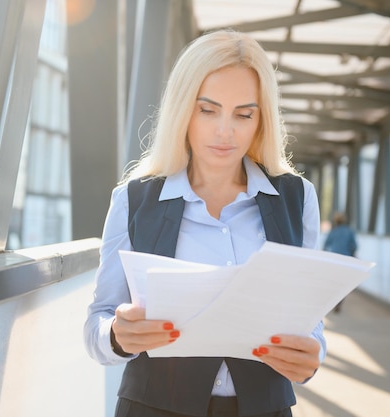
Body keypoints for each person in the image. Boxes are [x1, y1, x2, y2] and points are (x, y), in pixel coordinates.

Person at [84, 29, 326, 417]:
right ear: (184, 109)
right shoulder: (134, 200)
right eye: (207, 110)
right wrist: (115, 336)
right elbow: (98, 321)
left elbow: (310, 322)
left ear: (261, 119)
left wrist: (312, 357)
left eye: (243, 114)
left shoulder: (297, 199)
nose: (224, 131)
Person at [323, 212, 358, 313]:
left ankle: (333, 301)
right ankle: (339, 303)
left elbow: (326, 244)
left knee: (335, 282)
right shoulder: (350, 232)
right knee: (343, 283)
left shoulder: (334, 232)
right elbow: (354, 246)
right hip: (346, 261)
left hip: (335, 260)